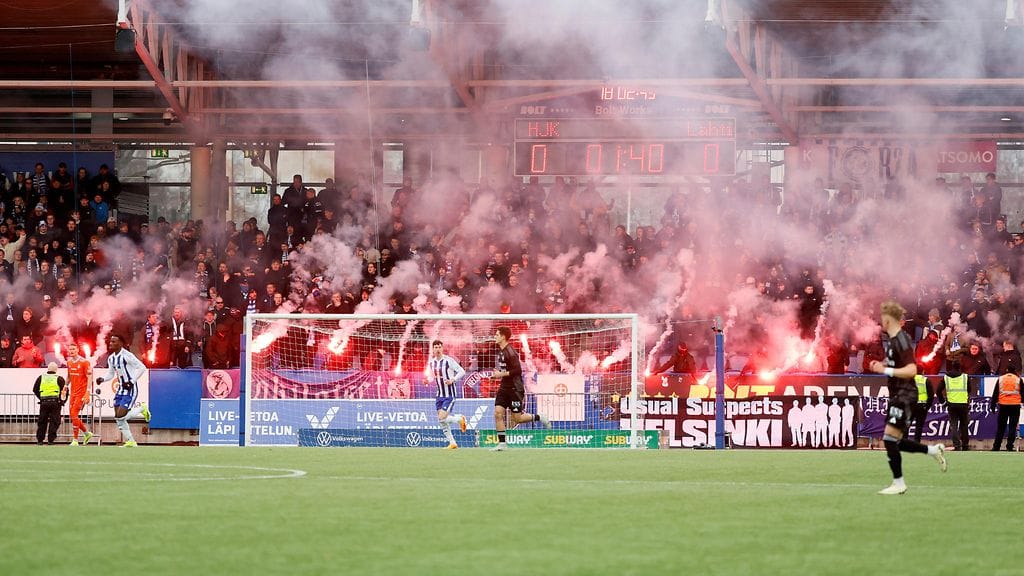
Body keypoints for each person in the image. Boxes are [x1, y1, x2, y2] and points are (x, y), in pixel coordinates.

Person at [868, 300, 946, 495]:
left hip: (905, 394)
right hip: (898, 394)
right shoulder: (894, 341)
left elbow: (911, 370)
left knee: (889, 439)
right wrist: (881, 365)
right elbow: (896, 363)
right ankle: (933, 451)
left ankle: (899, 483)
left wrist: (885, 370)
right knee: (895, 440)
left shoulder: (902, 340)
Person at [490, 326, 551, 451]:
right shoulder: (501, 351)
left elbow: (517, 370)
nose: (494, 336)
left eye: (497, 335)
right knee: (497, 414)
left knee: (517, 419)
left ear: (503, 337)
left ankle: (540, 417)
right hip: (504, 388)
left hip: (515, 389)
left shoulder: (510, 352)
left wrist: (500, 374)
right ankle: (502, 444)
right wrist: (496, 376)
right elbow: (505, 371)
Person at [97, 334, 151, 447]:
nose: (111, 343)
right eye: (110, 341)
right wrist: (103, 379)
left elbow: (142, 367)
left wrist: (131, 381)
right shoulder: (111, 358)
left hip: (130, 388)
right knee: (118, 418)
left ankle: (142, 408)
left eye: (114, 342)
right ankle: (131, 441)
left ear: (121, 343)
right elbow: (111, 373)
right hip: (121, 388)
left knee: (121, 415)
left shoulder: (127, 355)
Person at [428, 340, 468, 449]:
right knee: (441, 420)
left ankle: (459, 419)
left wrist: (453, 379)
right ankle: (452, 443)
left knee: (442, 417)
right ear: (433, 349)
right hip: (439, 395)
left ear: (442, 348)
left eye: (439, 347)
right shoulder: (432, 363)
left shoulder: (448, 361)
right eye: (436, 347)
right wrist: (428, 380)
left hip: (449, 394)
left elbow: (462, 371)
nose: (438, 349)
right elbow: (432, 377)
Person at [62, 342, 95, 445]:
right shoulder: (69, 362)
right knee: (72, 416)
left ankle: (75, 440)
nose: (71, 351)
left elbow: (90, 377)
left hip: (81, 392)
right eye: (70, 349)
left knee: (74, 414)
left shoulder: (85, 362)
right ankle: (87, 433)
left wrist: (88, 392)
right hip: (73, 392)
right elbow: (69, 376)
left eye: (73, 349)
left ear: (78, 350)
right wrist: (65, 386)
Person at [936, 355, 972, 451]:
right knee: (964, 425)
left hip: (951, 404)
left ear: (952, 366)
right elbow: (969, 390)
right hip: (963, 404)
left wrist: (943, 402)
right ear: (960, 366)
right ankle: (965, 445)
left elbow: (938, 391)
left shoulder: (946, 377)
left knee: (954, 425)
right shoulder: (965, 377)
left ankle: (957, 445)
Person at [989, 366, 1022, 451]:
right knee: (1012, 426)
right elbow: (1023, 393)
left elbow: (995, 393)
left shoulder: (1001, 379)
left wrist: (993, 405)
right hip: (1015, 405)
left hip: (1003, 405)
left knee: (1001, 427)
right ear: (1014, 370)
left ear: (1006, 370)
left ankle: (996, 446)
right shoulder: (1018, 379)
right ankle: (1010, 446)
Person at [33, 362, 66, 445]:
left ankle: (40, 440)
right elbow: (64, 391)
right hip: (55, 403)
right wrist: (62, 401)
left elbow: (35, 389)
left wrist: (41, 397)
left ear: (48, 369)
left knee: (42, 421)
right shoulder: (59, 378)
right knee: (54, 421)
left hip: (44, 402)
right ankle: (51, 440)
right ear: (56, 370)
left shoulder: (41, 377)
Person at [909, 374, 935, 443]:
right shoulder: (925, 380)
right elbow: (931, 395)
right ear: (923, 371)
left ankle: (903, 442)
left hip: (911, 405)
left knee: (906, 425)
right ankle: (916, 443)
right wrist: (927, 406)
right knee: (919, 426)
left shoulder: (909, 379)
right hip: (922, 406)